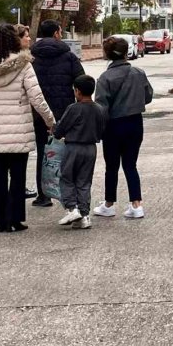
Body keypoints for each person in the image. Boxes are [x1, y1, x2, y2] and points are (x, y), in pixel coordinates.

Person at [0, 23, 55, 233]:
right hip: (19, 129)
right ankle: (15, 218)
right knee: (18, 176)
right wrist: (50, 121)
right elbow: (37, 98)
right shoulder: (23, 65)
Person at [93, 36, 153, 220]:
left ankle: (109, 204)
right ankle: (136, 204)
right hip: (135, 122)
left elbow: (101, 107)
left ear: (107, 54)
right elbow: (148, 96)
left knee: (111, 166)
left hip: (113, 125)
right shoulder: (138, 73)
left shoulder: (105, 78)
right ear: (126, 52)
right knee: (130, 164)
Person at [30, 19, 85, 207]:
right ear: (56, 33)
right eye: (60, 32)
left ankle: (43, 195)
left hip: (39, 113)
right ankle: (67, 195)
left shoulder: (32, 57)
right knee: (66, 153)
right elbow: (81, 81)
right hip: (64, 112)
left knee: (42, 151)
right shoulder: (69, 57)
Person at [55, 74, 106, 230]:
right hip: (90, 148)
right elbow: (102, 130)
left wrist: (55, 131)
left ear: (77, 91)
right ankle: (84, 215)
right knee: (84, 182)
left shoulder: (74, 108)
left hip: (73, 147)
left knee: (67, 178)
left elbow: (61, 129)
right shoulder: (99, 109)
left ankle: (72, 208)